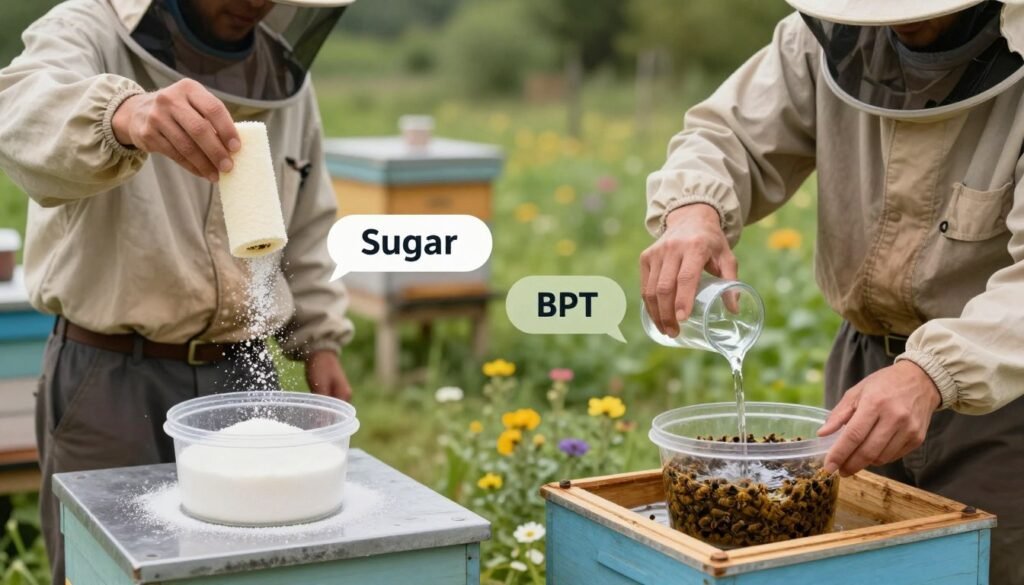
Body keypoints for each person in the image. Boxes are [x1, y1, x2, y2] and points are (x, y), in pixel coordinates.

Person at [640, 1, 1024, 582]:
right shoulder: (819, 39)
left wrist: (932, 373)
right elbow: (728, 134)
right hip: (863, 369)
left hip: (1005, 402)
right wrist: (694, 208)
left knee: (982, 567)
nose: (896, 21)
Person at [0, 1, 356, 583]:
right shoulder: (85, 29)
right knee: (104, 570)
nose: (257, 4)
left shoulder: (281, 74)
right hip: (111, 374)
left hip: (244, 372)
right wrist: (124, 114)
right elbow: (18, 117)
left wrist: (321, 341)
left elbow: (308, 221)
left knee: (244, 570)